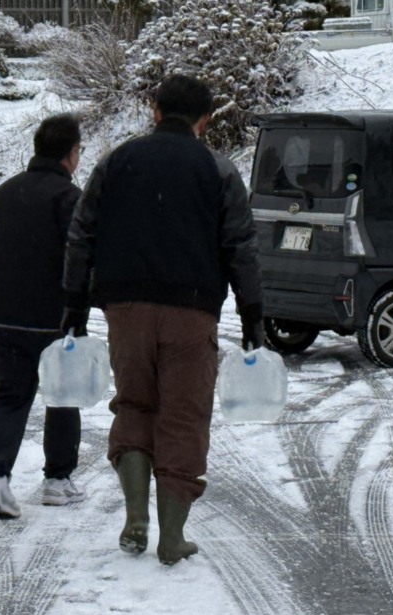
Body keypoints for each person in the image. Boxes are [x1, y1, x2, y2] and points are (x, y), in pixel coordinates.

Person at [62, 75, 264, 564]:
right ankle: (172, 536)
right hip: (191, 312)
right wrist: (254, 316)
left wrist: (75, 305)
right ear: (206, 119)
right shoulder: (218, 171)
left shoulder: (117, 162)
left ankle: (135, 516)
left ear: (154, 110)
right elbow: (240, 247)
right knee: (184, 416)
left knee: (134, 404)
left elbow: (81, 235)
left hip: (125, 309)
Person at [0, 114, 87, 520]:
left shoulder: (3, 193)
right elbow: (79, 259)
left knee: (9, 394)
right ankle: (58, 481)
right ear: (71, 154)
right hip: (52, 316)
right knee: (61, 394)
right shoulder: (69, 198)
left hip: (1, 314)